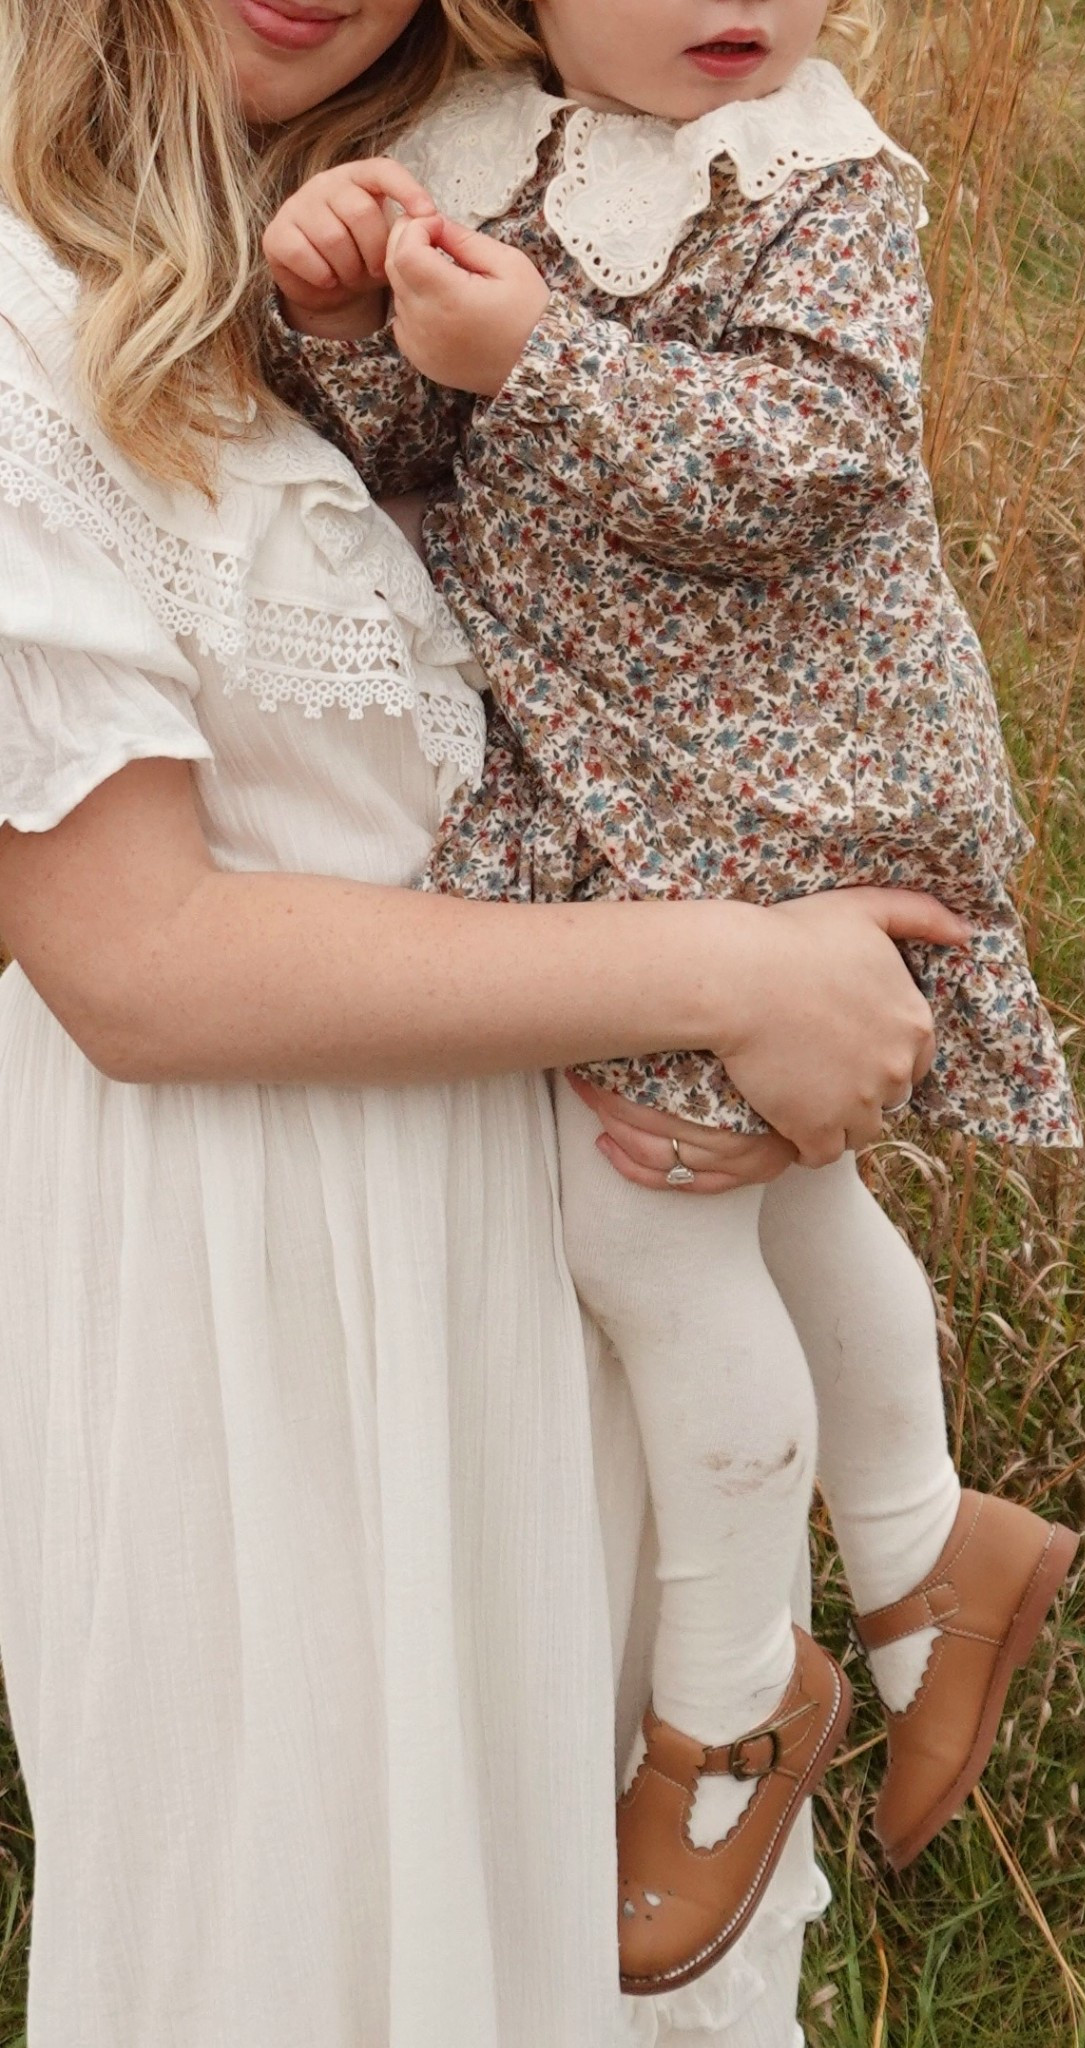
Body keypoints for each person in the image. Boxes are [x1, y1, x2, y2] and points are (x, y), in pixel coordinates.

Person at [0, 1, 977, 2043]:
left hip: (546, 1260)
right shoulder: (19, 298)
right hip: (252, 1304)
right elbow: (136, 963)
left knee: (574, 1940)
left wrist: (773, 988)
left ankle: (834, 1614)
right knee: (323, 1939)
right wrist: (726, 970)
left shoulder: (472, 197)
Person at [261, 0, 1083, 1999]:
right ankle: (919, 1542)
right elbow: (404, 480)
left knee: (634, 1212)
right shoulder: (473, 140)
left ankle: (727, 1699)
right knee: (767, 1193)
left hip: (779, 769)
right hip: (621, 770)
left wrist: (542, 352)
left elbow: (811, 456)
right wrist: (355, 317)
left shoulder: (813, 170)